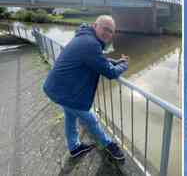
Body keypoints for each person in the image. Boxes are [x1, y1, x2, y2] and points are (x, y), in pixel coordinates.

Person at [43, 15, 128, 160]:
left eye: (111, 31)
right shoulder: (91, 43)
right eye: (105, 29)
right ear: (95, 26)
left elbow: (96, 59)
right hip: (66, 92)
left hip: (58, 88)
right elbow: (110, 72)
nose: (107, 33)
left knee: (70, 118)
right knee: (91, 120)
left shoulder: (85, 38)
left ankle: (74, 147)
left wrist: (115, 61)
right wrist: (123, 65)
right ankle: (109, 145)